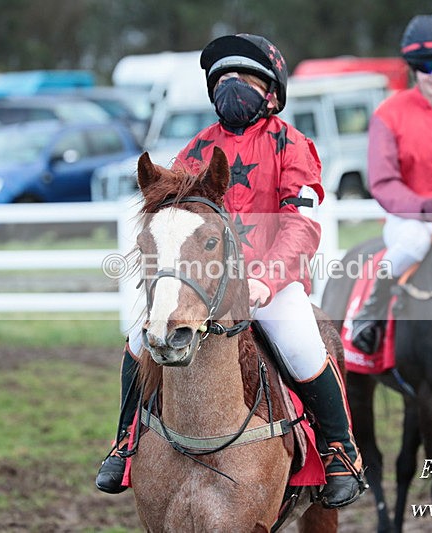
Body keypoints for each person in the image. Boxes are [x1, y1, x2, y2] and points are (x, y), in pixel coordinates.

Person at [95, 33, 366, 509]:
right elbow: (172, 220)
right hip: (203, 285)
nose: (231, 87)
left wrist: (267, 277)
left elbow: (301, 224)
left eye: (244, 78)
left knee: (304, 342)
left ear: (272, 92)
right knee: (140, 339)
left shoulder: (292, 144)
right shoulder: (197, 148)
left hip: (269, 284)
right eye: (222, 80)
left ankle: (340, 450)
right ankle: (124, 443)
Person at [349, 13, 432, 355]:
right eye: (426, 66)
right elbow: (382, 181)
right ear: (413, 68)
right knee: (416, 244)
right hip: (408, 217)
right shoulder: (388, 114)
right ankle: (369, 315)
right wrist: (425, 208)